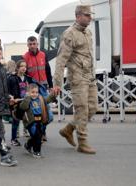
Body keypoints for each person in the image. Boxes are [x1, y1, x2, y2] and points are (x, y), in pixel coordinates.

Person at [53, 5, 97, 154]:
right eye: (87, 15)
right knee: (82, 109)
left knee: (93, 108)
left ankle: (68, 128)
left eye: (90, 15)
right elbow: (60, 60)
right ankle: (83, 143)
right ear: (78, 16)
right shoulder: (69, 34)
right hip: (77, 77)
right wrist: (57, 83)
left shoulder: (88, 33)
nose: (90, 17)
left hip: (90, 76)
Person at [23, 36, 53, 141]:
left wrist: (51, 86)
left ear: (37, 44)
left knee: (47, 113)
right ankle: (37, 133)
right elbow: (24, 75)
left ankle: (43, 131)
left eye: (34, 43)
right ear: (27, 45)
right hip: (33, 89)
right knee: (36, 112)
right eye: (30, 44)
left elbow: (48, 71)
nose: (32, 46)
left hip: (44, 88)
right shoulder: (25, 57)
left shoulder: (43, 55)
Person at [19, 83, 57, 158]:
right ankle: (37, 151)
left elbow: (48, 99)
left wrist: (53, 94)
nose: (35, 94)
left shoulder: (40, 98)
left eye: (36, 92)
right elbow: (23, 107)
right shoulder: (27, 99)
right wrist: (27, 98)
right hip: (31, 122)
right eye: (32, 92)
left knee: (36, 136)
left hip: (40, 121)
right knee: (37, 137)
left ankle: (28, 145)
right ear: (28, 92)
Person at [7, 60, 29, 146]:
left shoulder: (26, 78)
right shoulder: (11, 78)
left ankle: (32, 137)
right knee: (15, 121)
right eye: (22, 66)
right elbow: (7, 90)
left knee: (27, 119)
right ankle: (13, 139)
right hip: (15, 102)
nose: (24, 68)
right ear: (17, 68)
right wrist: (10, 97)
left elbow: (28, 89)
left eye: (25, 66)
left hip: (24, 102)